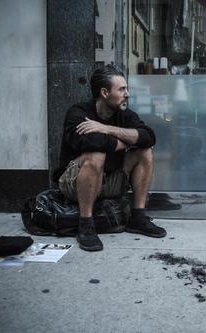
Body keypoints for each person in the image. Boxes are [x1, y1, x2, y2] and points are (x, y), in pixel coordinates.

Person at [52, 65, 166, 252]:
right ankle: (86, 225)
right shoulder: (78, 113)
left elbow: (148, 137)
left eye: (126, 88)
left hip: (110, 180)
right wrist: (128, 141)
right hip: (73, 183)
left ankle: (138, 217)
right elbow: (92, 142)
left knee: (145, 151)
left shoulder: (124, 114)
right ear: (104, 92)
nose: (127, 94)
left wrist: (106, 128)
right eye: (121, 89)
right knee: (96, 155)